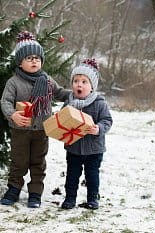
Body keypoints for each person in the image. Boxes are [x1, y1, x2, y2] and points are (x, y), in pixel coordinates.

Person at [0, 31, 70, 208]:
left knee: (38, 163)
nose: (34, 61)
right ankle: (14, 189)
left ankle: (35, 193)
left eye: (37, 58)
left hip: (42, 130)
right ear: (20, 62)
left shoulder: (47, 80)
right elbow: (6, 101)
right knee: (19, 161)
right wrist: (13, 115)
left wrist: (76, 94)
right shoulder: (14, 82)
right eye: (29, 58)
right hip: (20, 130)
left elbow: (60, 93)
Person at [61, 58, 112, 210]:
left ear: (92, 87)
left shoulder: (99, 103)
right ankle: (70, 198)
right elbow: (62, 118)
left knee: (92, 176)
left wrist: (98, 128)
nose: (79, 84)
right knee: (72, 175)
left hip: (94, 149)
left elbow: (107, 120)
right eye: (76, 81)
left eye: (84, 82)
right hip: (74, 147)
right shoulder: (69, 103)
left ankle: (92, 198)